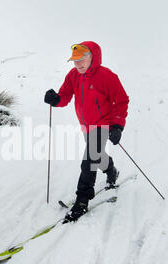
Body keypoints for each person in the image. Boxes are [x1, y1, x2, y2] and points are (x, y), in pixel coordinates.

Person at [44, 41, 130, 222]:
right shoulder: (73, 75)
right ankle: (111, 170)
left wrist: (117, 126)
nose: (78, 64)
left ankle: (82, 200)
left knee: (89, 161)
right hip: (85, 125)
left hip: (103, 125)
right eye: (75, 61)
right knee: (96, 156)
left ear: (93, 57)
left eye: (82, 59)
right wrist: (56, 99)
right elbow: (65, 96)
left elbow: (121, 101)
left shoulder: (107, 76)